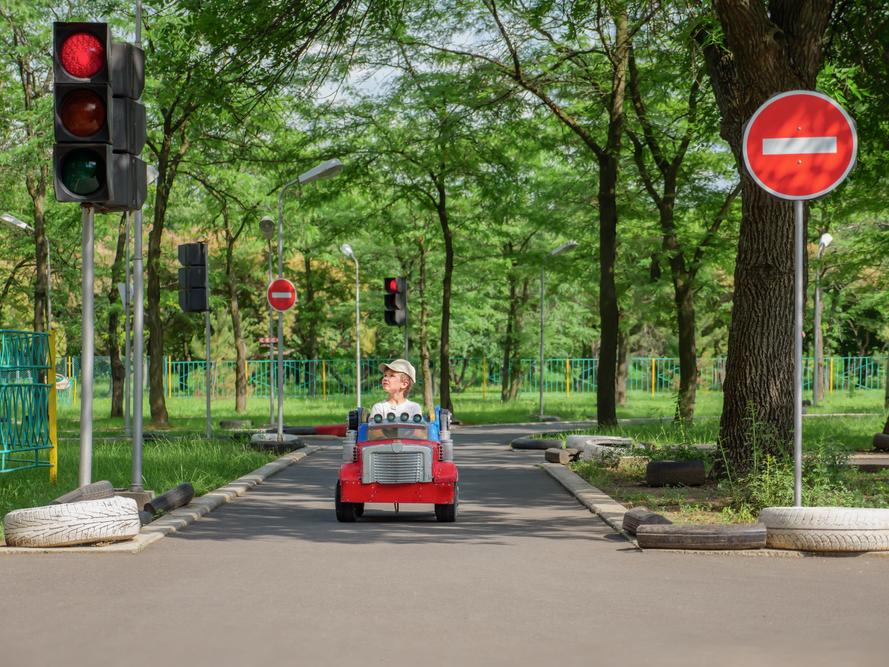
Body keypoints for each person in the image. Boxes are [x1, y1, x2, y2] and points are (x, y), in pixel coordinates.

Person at [368, 359, 423, 426]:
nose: (385, 378)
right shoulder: (379, 408)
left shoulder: (414, 408)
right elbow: (373, 433)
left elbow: (418, 433)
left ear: (404, 384)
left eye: (392, 376)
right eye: (385, 375)